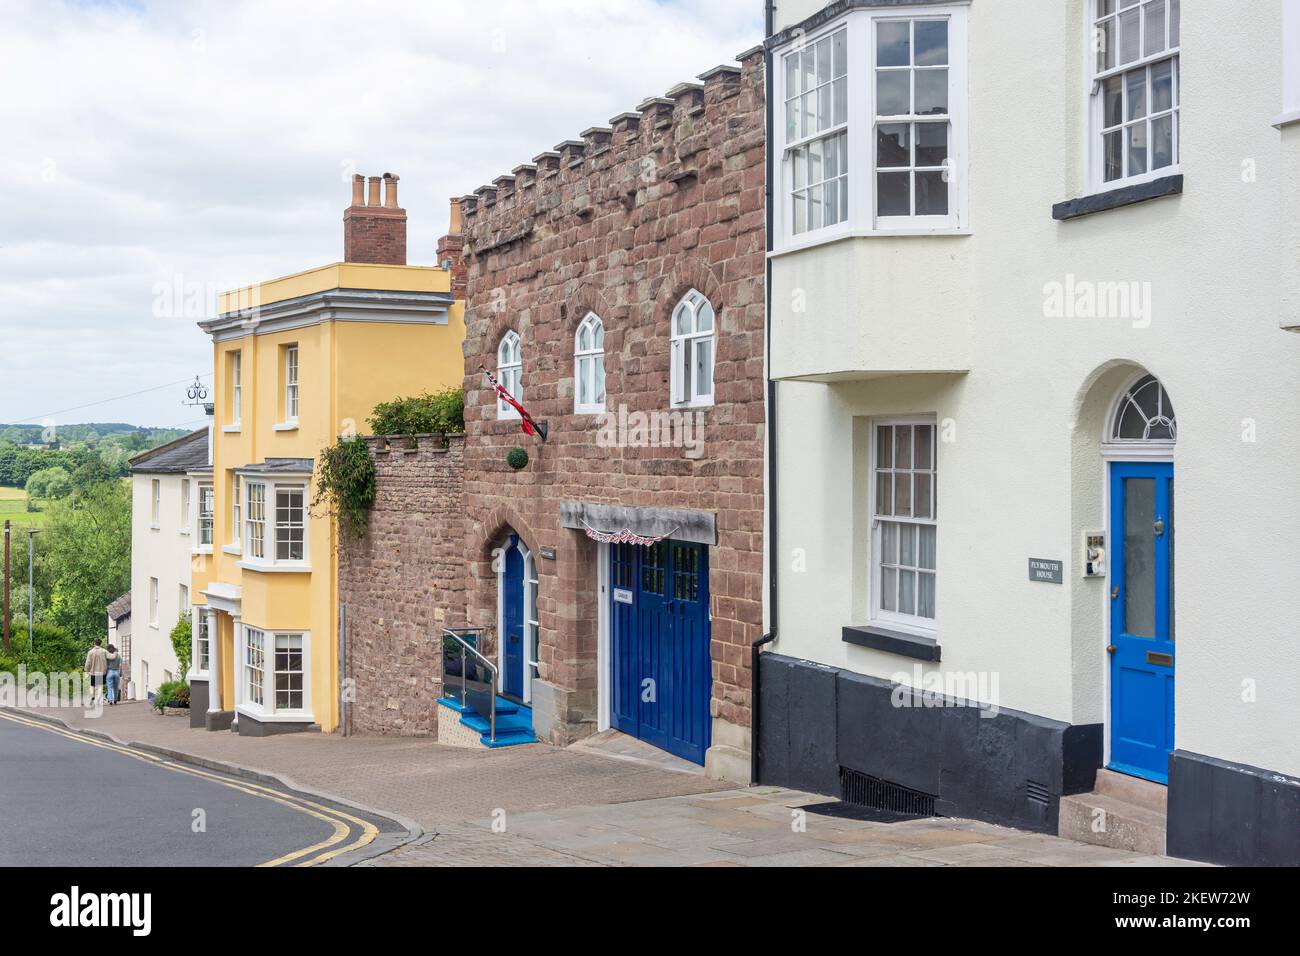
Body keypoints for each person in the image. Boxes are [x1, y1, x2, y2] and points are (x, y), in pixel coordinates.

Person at [84, 639, 108, 706]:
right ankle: (98, 701)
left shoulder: (90, 652)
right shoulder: (104, 651)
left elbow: (88, 662)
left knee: (92, 686)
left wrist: (86, 670)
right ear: (101, 643)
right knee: (100, 686)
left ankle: (92, 697)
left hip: (93, 672)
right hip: (101, 672)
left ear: (94, 643)